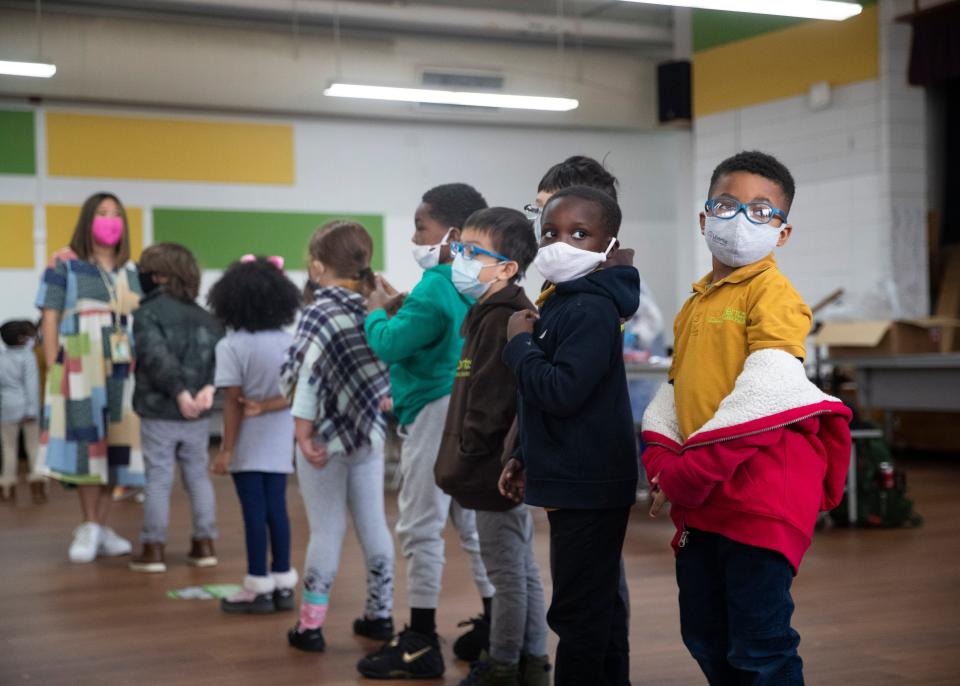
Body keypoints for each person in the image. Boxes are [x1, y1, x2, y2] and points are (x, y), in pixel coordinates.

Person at [641, 151, 853, 685]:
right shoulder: (696, 302)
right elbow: (677, 388)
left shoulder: (773, 294)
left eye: (762, 211)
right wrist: (662, 457)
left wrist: (685, 474)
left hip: (760, 496)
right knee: (706, 636)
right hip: (705, 500)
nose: (742, 220)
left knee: (761, 648)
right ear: (704, 217)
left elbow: (768, 393)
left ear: (781, 234)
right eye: (728, 205)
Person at [499, 185, 639, 686]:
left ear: (608, 244)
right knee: (590, 607)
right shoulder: (563, 301)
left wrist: (517, 346)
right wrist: (523, 453)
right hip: (573, 477)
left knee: (579, 614)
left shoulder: (590, 309)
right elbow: (546, 403)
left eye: (580, 234)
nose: (562, 243)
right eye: (552, 233)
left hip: (590, 483)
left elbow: (560, 391)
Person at [358, 183, 495, 680]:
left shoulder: (436, 283)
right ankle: (493, 625)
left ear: (453, 234)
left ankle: (419, 639)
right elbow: (431, 324)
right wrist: (401, 303)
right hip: (465, 411)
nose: (415, 235)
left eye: (421, 226)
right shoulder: (469, 282)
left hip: (433, 415)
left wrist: (375, 308)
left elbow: (391, 345)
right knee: (472, 526)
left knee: (419, 524)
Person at [433, 207, 551, 686]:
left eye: (472, 252)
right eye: (459, 249)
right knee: (519, 568)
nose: (459, 258)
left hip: (489, 469)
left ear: (506, 268)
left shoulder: (500, 318)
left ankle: (504, 664)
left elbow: (490, 398)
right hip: (493, 466)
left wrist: (470, 448)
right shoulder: (489, 313)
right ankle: (533, 660)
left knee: (506, 574)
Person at [281, 221, 395, 653]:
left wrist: (302, 433)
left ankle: (310, 627)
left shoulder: (319, 312)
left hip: (323, 442)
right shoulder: (377, 308)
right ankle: (380, 617)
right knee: (374, 526)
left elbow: (305, 379)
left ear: (316, 266)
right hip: (368, 435)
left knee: (326, 531)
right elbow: (387, 369)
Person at [36, 192, 143, 563]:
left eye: (116, 213)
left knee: (119, 445)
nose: (110, 219)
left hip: (124, 367)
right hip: (79, 365)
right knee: (86, 444)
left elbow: (140, 319)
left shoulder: (132, 269)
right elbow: (49, 315)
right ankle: (89, 525)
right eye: (102, 212)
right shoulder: (64, 261)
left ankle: (100, 526)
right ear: (88, 218)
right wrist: (54, 367)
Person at [207, 255, 302, 614]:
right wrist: (268, 407)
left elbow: (232, 403)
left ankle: (257, 585)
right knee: (277, 508)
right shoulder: (289, 341)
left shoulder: (232, 346)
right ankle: (282, 584)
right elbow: (296, 393)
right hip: (281, 438)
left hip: (247, 442)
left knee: (253, 512)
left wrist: (226, 451)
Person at [128, 243, 223, 573]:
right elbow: (219, 363)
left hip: (161, 411)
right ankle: (204, 545)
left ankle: (153, 550)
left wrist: (180, 392)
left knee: (158, 479)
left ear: (160, 276)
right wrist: (206, 392)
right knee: (198, 476)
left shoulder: (147, 314)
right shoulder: (209, 319)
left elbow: (156, 358)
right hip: (199, 414)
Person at [0, 320, 44, 503]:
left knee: (8, 449)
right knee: (33, 448)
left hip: (6, 408)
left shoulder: (1, 357)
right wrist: (33, 409)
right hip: (27, 408)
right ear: (20, 339)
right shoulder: (28, 357)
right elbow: (32, 386)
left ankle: (7, 486)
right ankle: (37, 486)